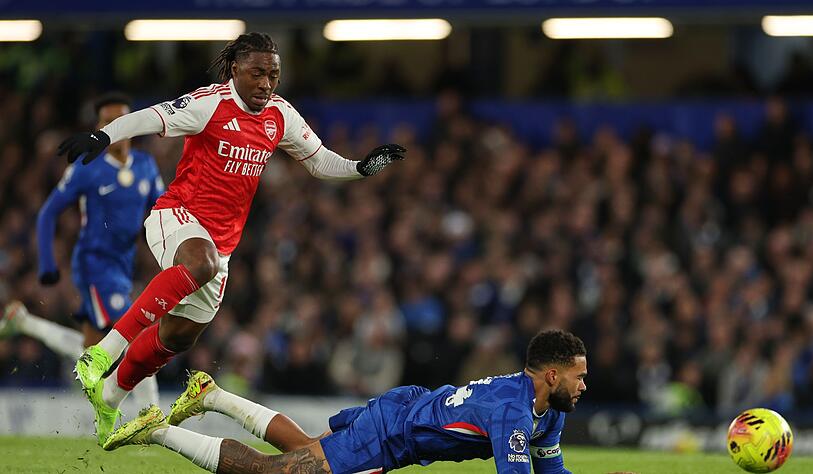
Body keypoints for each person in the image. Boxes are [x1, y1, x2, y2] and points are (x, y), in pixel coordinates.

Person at [56, 32, 406, 446]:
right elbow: (151, 117)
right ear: (235, 69)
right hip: (176, 216)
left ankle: (111, 394)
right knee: (199, 263)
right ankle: (101, 353)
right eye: (258, 73)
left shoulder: (280, 115)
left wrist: (361, 167)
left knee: (178, 336)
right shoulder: (211, 104)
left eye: (273, 74)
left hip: (221, 246)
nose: (266, 83)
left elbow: (319, 161)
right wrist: (103, 136)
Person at [104, 329, 587, 474]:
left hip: (406, 411)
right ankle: (156, 428)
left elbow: (552, 472)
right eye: (578, 376)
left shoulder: (548, 412)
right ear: (551, 374)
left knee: (305, 450)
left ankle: (213, 396)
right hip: (393, 434)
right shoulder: (514, 412)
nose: (584, 386)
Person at [0, 92, 163, 408]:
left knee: (93, 347)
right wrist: (47, 263)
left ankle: (25, 322)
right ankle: (152, 413)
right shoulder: (87, 167)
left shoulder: (146, 165)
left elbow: (162, 206)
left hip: (123, 264)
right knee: (134, 331)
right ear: (99, 127)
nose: (116, 127)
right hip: (94, 265)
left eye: (122, 120)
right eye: (108, 121)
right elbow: (48, 212)